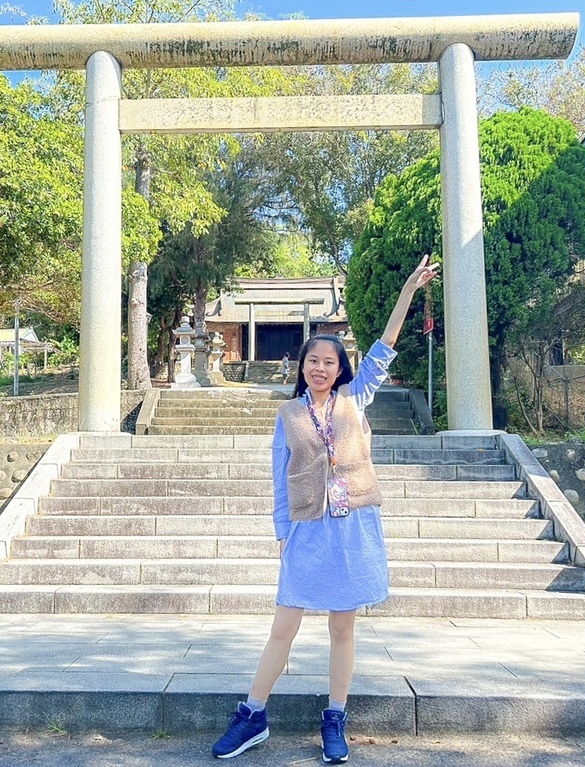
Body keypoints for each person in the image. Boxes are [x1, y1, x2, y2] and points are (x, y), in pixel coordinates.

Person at [211, 255, 440, 764]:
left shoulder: (356, 400)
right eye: (313, 361)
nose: (320, 368)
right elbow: (278, 477)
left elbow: (385, 345)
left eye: (329, 362)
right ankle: (253, 715)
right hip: (306, 529)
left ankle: (335, 717)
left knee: (343, 626)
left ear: (341, 370)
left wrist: (406, 289)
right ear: (303, 367)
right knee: (283, 626)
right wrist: (280, 532)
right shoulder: (288, 414)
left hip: (354, 524)